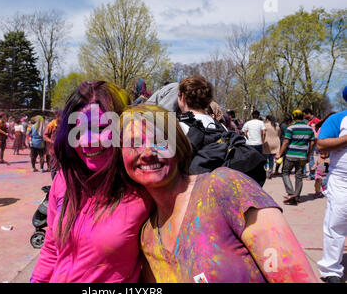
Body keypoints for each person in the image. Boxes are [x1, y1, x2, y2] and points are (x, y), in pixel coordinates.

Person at [119, 104, 317, 283]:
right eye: (134, 143)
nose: (147, 152)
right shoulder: (148, 237)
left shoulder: (225, 187)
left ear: (178, 146)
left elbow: (295, 276)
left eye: (159, 140)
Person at [30, 81, 152, 283]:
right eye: (78, 132)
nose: (87, 141)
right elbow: (51, 249)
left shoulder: (144, 191)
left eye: (101, 127)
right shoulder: (64, 181)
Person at [316, 89, 347, 283]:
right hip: (342, 183)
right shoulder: (338, 119)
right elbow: (321, 145)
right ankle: (331, 270)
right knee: (336, 224)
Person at [275, 110, 315, 205]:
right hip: (302, 157)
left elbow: (285, 142)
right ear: (302, 117)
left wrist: (279, 154)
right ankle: (296, 196)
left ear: (293, 118)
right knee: (299, 176)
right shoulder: (309, 129)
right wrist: (308, 156)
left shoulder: (291, 128)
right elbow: (312, 143)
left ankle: (291, 193)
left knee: (285, 173)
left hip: (291, 156)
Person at [303, 108, 321, 180]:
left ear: (308, 113)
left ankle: (312, 175)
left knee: (312, 157)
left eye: (304, 115)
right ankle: (308, 174)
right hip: (309, 141)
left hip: (314, 141)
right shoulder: (308, 121)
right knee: (309, 157)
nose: (304, 116)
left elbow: (319, 130)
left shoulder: (316, 120)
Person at [43, 110, 61, 180]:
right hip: (53, 149)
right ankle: (54, 183)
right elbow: (44, 136)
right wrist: (52, 141)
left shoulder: (64, 123)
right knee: (54, 167)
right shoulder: (51, 124)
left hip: (62, 149)